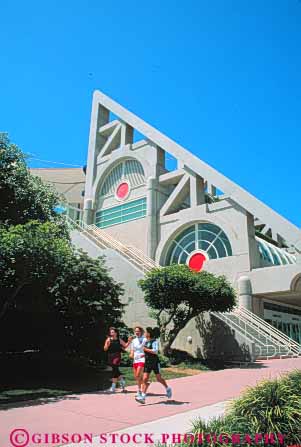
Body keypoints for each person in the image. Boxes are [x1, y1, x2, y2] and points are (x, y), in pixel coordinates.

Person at [135, 327, 172, 404]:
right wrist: (141, 356)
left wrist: (145, 349)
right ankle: (143, 397)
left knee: (159, 379)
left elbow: (155, 351)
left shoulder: (154, 341)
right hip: (147, 362)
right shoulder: (145, 342)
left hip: (155, 363)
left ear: (149, 334)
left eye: (146, 332)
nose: (144, 333)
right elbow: (146, 352)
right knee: (145, 379)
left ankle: (168, 388)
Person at [104, 327, 132, 393]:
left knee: (114, 368)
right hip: (110, 356)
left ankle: (113, 387)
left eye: (113, 332)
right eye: (111, 332)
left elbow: (125, 346)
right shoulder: (108, 339)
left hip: (117, 356)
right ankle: (122, 380)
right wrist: (107, 345)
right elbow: (105, 349)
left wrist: (129, 342)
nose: (111, 333)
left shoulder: (119, 340)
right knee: (115, 370)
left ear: (116, 333)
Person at [130, 326, 146, 399]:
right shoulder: (134, 340)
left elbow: (145, 348)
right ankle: (140, 389)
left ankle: (142, 388)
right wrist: (131, 354)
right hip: (135, 359)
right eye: (135, 331)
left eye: (138, 331)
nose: (136, 332)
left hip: (142, 359)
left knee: (138, 374)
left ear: (141, 332)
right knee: (137, 376)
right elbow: (132, 350)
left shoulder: (144, 339)